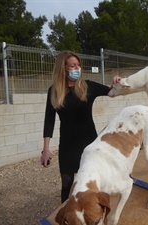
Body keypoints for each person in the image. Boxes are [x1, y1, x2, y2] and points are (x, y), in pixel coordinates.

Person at [40, 50, 120, 203]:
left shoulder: (87, 86)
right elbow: (48, 121)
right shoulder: (54, 91)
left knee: (94, 180)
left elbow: (112, 91)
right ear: (63, 69)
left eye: (78, 65)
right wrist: (46, 149)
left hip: (89, 142)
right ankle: (65, 214)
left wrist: (117, 82)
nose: (77, 68)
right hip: (67, 145)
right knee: (66, 183)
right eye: (72, 66)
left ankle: (94, 211)